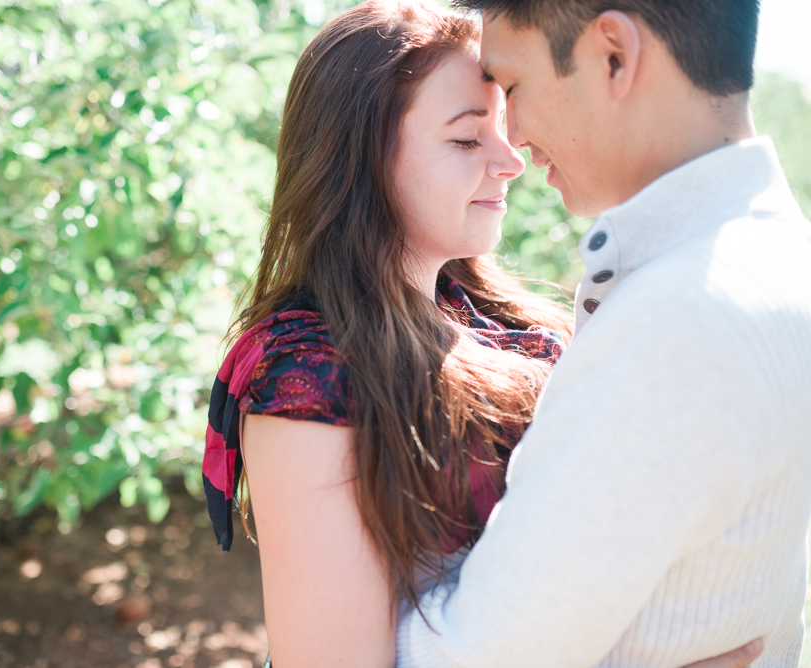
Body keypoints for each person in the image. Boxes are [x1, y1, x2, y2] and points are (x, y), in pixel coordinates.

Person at [202, 1, 775, 667]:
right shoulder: (308, 375)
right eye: (468, 139)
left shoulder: (522, 329)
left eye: (503, 129)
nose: (512, 161)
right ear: (358, 158)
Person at [395, 1, 811, 667]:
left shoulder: (678, 320)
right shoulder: (782, 259)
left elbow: (470, 659)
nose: (517, 141)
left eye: (514, 88)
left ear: (612, 55)